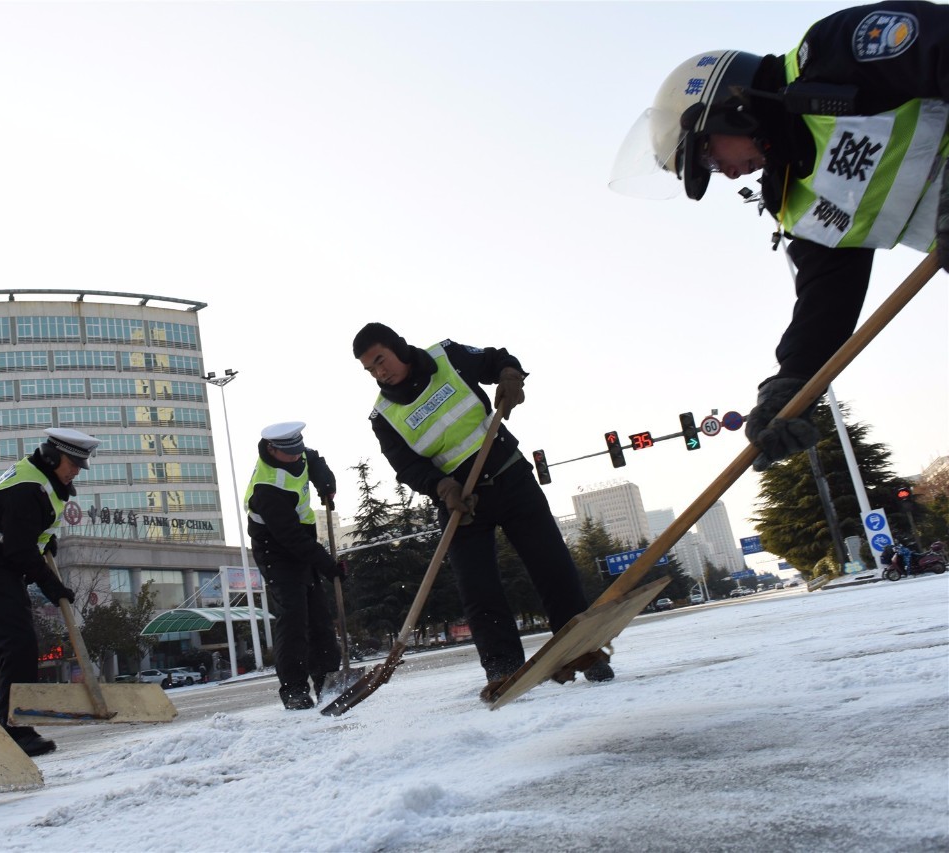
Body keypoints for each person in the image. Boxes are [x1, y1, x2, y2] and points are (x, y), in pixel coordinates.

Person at [610, 1, 949, 471]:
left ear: (726, 110)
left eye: (708, 158)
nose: (726, 176)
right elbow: (826, 300)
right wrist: (791, 386)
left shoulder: (833, 55)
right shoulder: (795, 197)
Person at [352, 323, 613, 700]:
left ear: (398, 348)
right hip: (462, 503)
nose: (379, 372)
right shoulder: (383, 416)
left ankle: (583, 652)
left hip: (510, 476)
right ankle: (503, 668)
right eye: (370, 369)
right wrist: (442, 486)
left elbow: (496, 360)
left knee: (552, 567)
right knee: (478, 589)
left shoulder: (447, 356)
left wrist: (510, 376)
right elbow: (406, 466)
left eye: (380, 360)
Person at [0, 427, 97, 757]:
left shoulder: (43, 482)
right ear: (52, 457)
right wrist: (54, 588)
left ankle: (16, 724)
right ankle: (14, 730)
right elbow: (19, 551)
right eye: (73, 463)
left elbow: (32, 531)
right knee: (17, 643)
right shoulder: (28, 488)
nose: (76, 470)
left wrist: (47, 539)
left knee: (22, 643)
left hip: (0, 565)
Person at [244, 421, 346, 709]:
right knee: (294, 619)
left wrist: (326, 483)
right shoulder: (267, 489)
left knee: (319, 618)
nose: (296, 456)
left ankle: (327, 679)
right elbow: (291, 539)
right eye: (290, 453)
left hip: (302, 541)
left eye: (297, 450)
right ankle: (294, 690)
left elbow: (313, 459)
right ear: (272, 449)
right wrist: (328, 566)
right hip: (276, 550)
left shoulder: (296, 453)